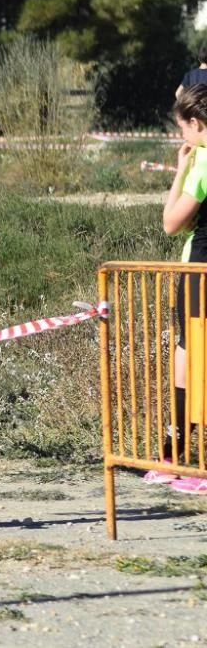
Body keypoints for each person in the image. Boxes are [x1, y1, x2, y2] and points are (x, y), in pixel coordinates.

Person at [151, 83, 207, 495]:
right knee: (187, 357)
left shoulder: (202, 160)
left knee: (192, 363)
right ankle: (177, 455)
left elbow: (172, 223)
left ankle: (189, 460)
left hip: (199, 270)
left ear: (196, 124)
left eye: (183, 130)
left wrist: (181, 170)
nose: (182, 139)